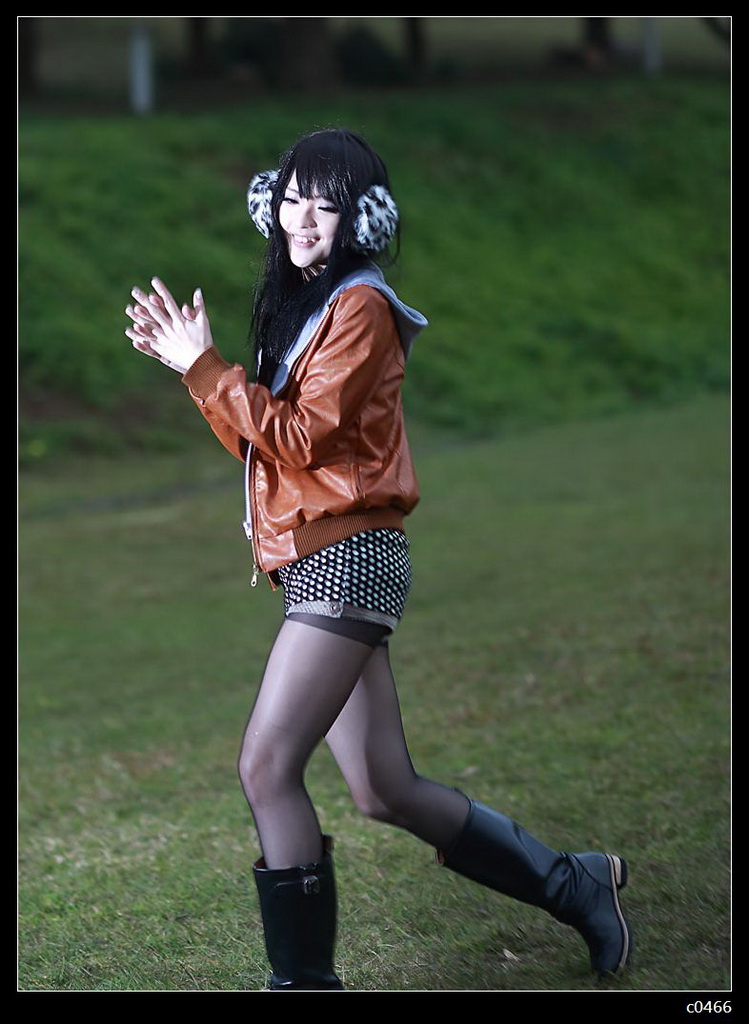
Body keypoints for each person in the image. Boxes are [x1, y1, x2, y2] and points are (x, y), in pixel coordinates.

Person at [125, 128, 632, 991]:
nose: (302, 218)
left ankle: (304, 985)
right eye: (291, 198)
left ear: (360, 218)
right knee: (381, 788)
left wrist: (206, 368)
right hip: (323, 559)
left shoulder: (359, 307)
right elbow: (265, 448)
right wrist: (195, 373)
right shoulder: (312, 305)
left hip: (347, 557)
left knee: (266, 767)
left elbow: (300, 438)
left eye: (325, 204)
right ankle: (573, 883)